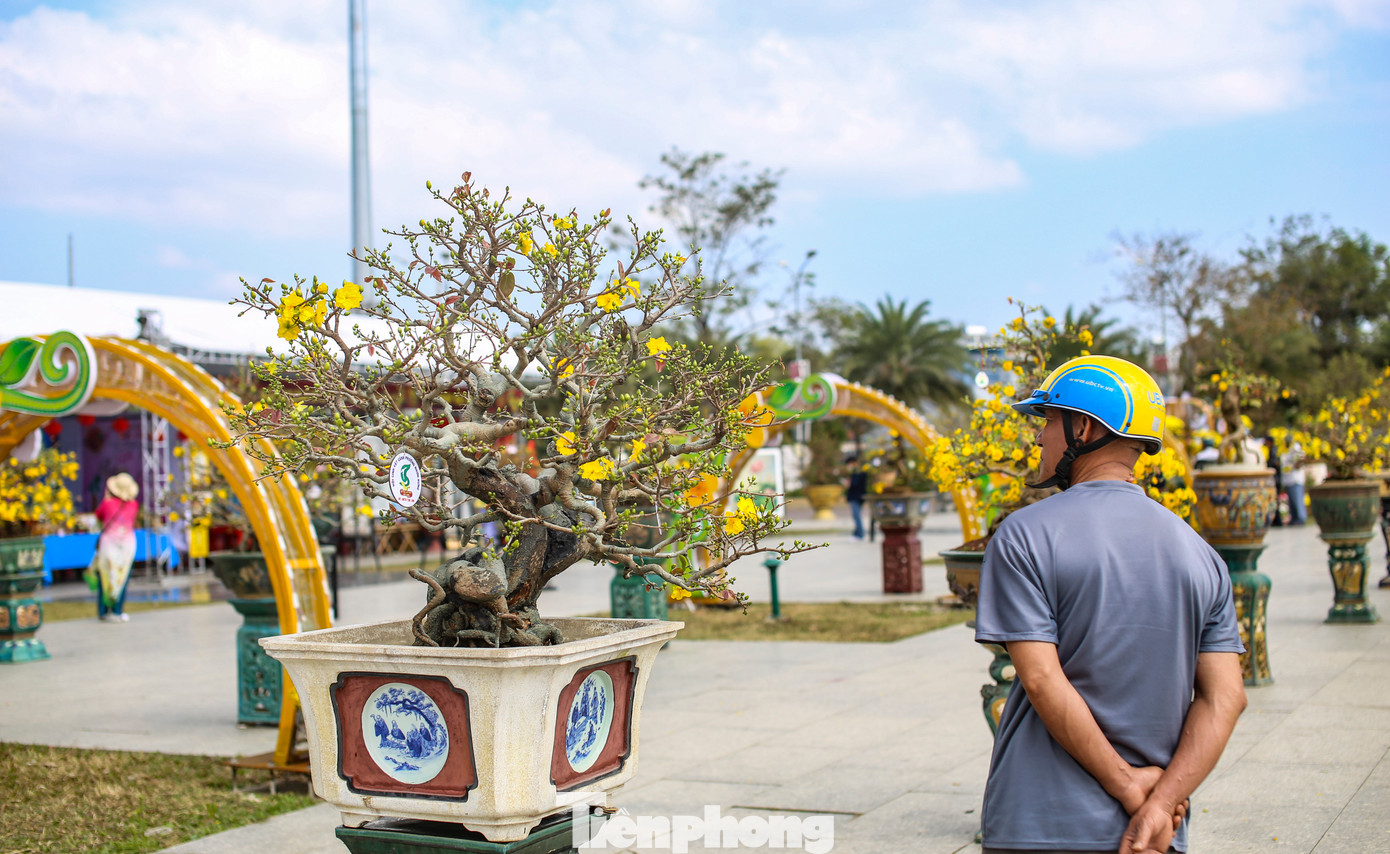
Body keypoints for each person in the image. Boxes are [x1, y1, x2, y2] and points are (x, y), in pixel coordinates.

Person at [975, 355, 1248, 854]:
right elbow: (1226, 698)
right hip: (1154, 835)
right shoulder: (1200, 554)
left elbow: (1041, 679)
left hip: (1040, 823)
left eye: (1048, 420)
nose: (1038, 438)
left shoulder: (1023, 536)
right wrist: (1161, 804)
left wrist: (1127, 785)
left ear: (1083, 428)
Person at [91, 472, 140, 622]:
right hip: (127, 546)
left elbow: (98, 516)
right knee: (122, 577)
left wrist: (107, 498)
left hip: (109, 546)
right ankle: (117, 611)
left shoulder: (107, 504)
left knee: (105, 577)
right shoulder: (134, 505)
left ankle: (103, 610)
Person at [1281, 440, 1307, 527]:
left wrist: (1294, 466)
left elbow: (1300, 460)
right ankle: (1294, 518)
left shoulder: (1295, 448)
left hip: (1295, 479)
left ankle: (1301, 518)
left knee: (1297, 501)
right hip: (1289, 480)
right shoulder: (1285, 449)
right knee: (1292, 502)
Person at [844, 456, 868, 540]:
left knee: (856, 515)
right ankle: (856, 533)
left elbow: (854, 484)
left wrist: (848, 483)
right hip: (859, 496)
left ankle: (860, 534)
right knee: (856, 515)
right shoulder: (860, 470)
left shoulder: (858, 471)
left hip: (856, 497)